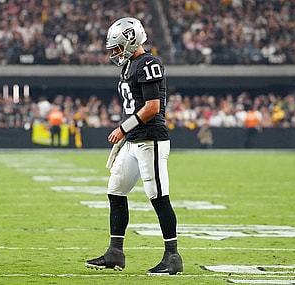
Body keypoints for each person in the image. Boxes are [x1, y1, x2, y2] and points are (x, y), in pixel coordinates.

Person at [85, 17, 183, 275]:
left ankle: (172, 256)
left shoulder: (149, 63)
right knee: (116, 191)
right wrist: (127, 132)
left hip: (151, 139)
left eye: (118, 47)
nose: (115, 53)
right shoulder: (129, 65)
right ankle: (115, 252)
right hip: (134, 140)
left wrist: (122, 128)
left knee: (158, 197)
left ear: (131, 40)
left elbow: (153, 107)